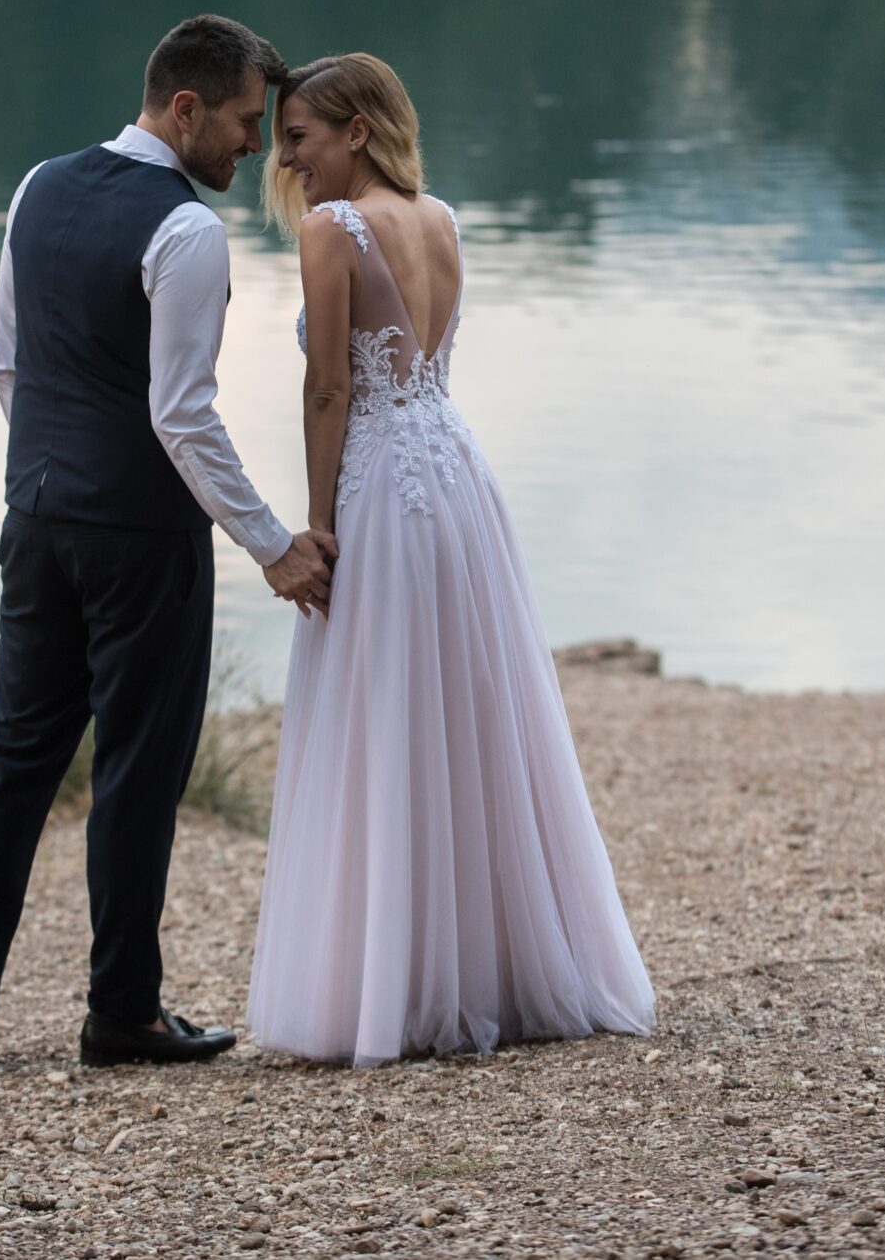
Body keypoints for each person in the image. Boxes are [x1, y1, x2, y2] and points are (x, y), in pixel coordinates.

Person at [0, 15, 337, 1074]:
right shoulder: (186, 230)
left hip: (36, 517)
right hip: (142, 540)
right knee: (138, 770)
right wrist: (273, 543)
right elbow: (182, 414)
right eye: (243, 122)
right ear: (185, 108)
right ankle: (123, 1012)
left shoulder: (37, 186)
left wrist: (55, 475)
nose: (253, 144)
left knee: (14, 754)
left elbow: (9, 364)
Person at [244, 52, 655, 1066]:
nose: (286, 159)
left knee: (387, 709)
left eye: (298, 137)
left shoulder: (333, 230)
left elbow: (329, 388)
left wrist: (314, 521)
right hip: (458, 475)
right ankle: (492, 964)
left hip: (382, 487)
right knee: (468, 712)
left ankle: (398, 978)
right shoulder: (443, 219)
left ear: (357, 131)